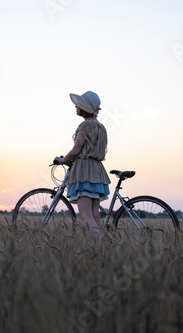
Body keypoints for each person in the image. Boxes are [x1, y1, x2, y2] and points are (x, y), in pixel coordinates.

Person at [54, 91, 111, 241]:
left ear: (84, 108)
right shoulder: (101, 126)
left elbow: (76, 149)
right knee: (94, 215)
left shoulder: (86, 125)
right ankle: (99, 249)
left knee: (85, 214)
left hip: (85, 172)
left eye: (78, 105)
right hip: (97, 172)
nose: (76, 107)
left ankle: (98, 247)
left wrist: (62, 160)